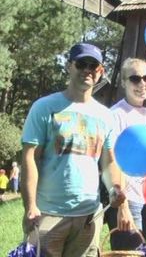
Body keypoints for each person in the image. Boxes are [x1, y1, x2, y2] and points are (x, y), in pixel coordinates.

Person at [20, 42, 132, 256]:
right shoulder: (44, 107)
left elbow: (108, 162)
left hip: (89, 217)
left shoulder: (105, 116)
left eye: (94, 66)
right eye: (82, 64)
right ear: (69, 66)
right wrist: (31, 206)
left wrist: (114, 189)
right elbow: (30, 158)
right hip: (47, 214)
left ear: (101, 72)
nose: (88, 70)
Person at [105, 58, 146, 249]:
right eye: (135, 78)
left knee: (137, 251)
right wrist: (122, 206)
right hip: (126, 200)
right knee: (130, 252)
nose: (142, 83)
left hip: (144, 199)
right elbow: (112, 161)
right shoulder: (115, 114)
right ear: (123, 82)